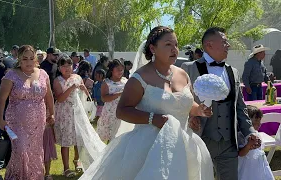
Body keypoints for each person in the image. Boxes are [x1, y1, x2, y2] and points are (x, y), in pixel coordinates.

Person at [80, 26, 214, 180]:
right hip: (149, 147)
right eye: (168, 45)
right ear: (153, 48)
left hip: (184, 145)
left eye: (176, 45)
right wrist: (153, 119)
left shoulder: (182, 74)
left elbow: (186, 104)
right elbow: (122, 111)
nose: (174, 49)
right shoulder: (140, 77)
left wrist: (199, 111)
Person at [181, 27, 260, 180]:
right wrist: (190, 117)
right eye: (224, 41)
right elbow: (181, 102)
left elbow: (240, 107)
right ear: (209, 45)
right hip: (200, 139)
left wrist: (250, 132)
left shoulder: (234, 71)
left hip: (228, 143)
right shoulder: (188, 69)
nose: (228, 45)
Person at [0, 45, 55, 180]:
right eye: (25, 59)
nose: (28, 62)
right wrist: (0, 118)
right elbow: (1, 99)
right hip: (17, 121)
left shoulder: (43, 74)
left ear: (35, 59)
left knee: (35, 151)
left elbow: (49, 96)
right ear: (19, 59)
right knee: (21, 150)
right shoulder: (11, 75)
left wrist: (52, 113)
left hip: (38, 120)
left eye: (31, 58)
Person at [53, 56, 105, 177]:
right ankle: (66, 168)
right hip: (64, 112)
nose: (67, 68)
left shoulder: (77, 77)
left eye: (69, 65)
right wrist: (71, 88)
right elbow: (60, 99)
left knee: (79, 138)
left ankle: (77, 161)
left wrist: (84, 90)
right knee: (66, 141)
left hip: (78, 111)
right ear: (60, 68)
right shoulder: (57, 80)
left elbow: (86, 95)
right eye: (64, 66)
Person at [238, 105, 274, 180]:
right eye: (256, 122)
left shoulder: (256, 134)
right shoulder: (241, 136)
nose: (259, 124)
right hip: (247, 168)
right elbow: (241, 154)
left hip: (259, 166)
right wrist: (248, 146)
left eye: (259, 121)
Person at [96, 59, 127, 142]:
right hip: (110, 113)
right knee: (109, 136)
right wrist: (119, 93)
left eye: (122, 69)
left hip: (123, 111)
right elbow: (104, 98)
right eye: (118, 69)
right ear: (112, 70)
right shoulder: (107, 82)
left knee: (118, 136)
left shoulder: (125, 81)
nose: (120, 72)